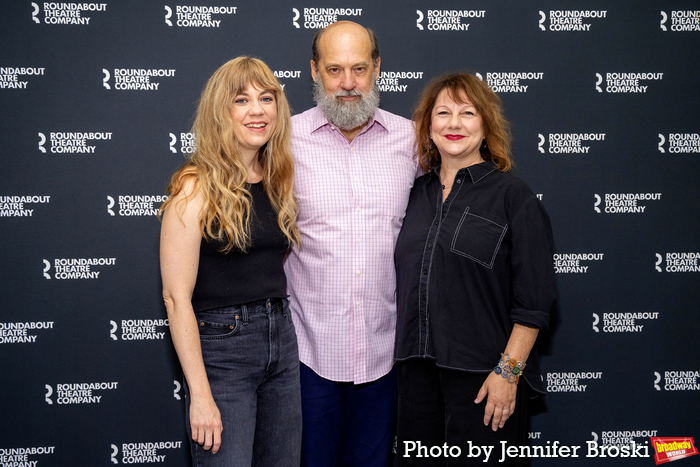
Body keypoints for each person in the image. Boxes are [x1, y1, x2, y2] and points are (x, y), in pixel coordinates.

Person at [394, 73, 557, 466]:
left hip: (485, 380)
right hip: (416, 377)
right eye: (443, 112)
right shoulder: (415, 193)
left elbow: (534, 302)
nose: (454, 123)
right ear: (428, 126)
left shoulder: (511, 196)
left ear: (485, 125)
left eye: (467, 113)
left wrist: (507, 373)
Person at [285, 21, 419, 467]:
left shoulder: (412, 140)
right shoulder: (282, 140)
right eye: (334, 69)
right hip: (308, 358)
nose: (347, 84)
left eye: (359, 69)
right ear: (314, 71)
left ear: (378, 68)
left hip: (384, 357)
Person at [159, 56, 301, 467]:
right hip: (223, 351)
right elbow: (174, 297)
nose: (257, 110)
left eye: (266, 97)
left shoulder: (277, 177)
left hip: (282, 342)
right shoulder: (195, 185)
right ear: (221, 111)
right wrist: (200, 395)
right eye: (241, 100)